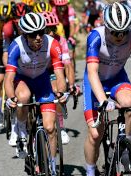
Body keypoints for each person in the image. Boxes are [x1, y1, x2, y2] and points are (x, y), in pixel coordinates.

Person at [82, 2, 131, 176]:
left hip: (117, 78)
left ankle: (123, 147)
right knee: (95, 133)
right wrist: (103, 101)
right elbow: (92, 73)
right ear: (107, 27)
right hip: (95, 82)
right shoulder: (95, 37)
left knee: (128, 103)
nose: (120, 37)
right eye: (115, 33)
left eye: (123, 32)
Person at [4, 12, 67, 176]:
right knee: (22, 97)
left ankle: (53, 172)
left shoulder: (53, 44)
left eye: (41, 31)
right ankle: (21, 129)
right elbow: (9, 79)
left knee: (50, 128)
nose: (38, 37)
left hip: (42, 80)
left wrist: (62, 92)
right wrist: (11, 99)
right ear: (25, 35)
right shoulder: (16, 46)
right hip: (22, 80)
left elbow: (60, 75)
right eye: (33, 34)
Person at [41, 11, 79, 145]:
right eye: (47, 29)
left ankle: (61, 128)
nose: (51, 33)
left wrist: (71, 85)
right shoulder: (36, 40)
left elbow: (68, 65)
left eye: (53, 29)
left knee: (57, 90)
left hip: (53, 71)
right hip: (38, 71)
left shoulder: (61, 40)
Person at [4, 1, 32, 147]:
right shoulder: (8, 29)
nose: (19, 22)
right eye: (17, 18)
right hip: (14, 57)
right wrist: (8, 67)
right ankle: (17, 124)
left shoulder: (34, 28)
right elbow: (5, 52)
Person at [52, 0, 77, 71]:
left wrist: (70, 37)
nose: (61, 9)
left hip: (68, 28)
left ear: (66, 5)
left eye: (63, 7)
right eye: (59, 7)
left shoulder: (70, 10)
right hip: (59, 29)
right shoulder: (53, 10)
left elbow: (72, 25)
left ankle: (72, 71)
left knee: (71, 52)